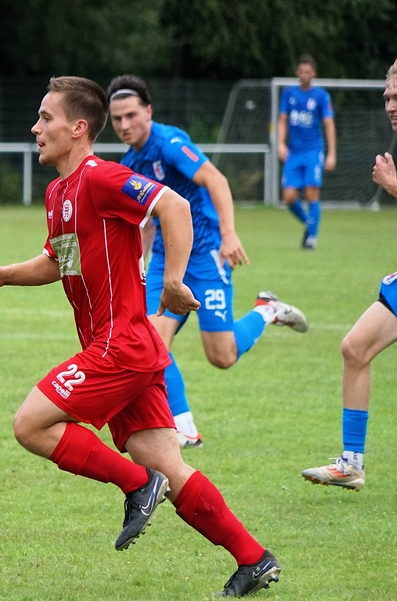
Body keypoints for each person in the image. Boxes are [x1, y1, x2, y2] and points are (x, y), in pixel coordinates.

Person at [0, 76, 281, 596]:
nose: (35, 128)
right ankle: (253, 559)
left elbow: (174, 206)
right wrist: (2, 275)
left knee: (30, 425)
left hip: (120, 345)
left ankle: (136, 485)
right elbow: (58, 261)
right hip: (128, 349)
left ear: (78, 128)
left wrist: (173, 281)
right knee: (169, 465)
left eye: (46, 118)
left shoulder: (102, 177)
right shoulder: (58, 191)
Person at [107, 75, 309, 448]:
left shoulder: (169, 144)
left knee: (222, 356)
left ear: (148, 111)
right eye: (117, 118)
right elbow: (147, 222)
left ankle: (266, 310)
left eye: (131, 115)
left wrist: (228, 234)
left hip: (204, 255)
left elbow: (216, 181)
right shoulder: (130, 163)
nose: (124, 124)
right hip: (166, 260)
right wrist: (139, 267)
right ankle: (184, 427)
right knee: (151, 342)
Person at [303, 53, 397, 491]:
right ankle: (351, 464)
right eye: (387, 97)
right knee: (354, 348)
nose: (390, 105)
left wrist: (394, 188)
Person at [278, 55, 337, 249]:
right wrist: (280, 144)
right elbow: (282, 120)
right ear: (297, 72)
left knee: (312, 194)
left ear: (314, 74)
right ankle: (309, 223)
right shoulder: (288, 94)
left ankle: (311, 239)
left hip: (313, 151)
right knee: (288, 197)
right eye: (301, 71)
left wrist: (331, 154)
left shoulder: (321, 96)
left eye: (308, 72)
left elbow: (328, 124)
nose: (304, 75)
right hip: (293, 153)